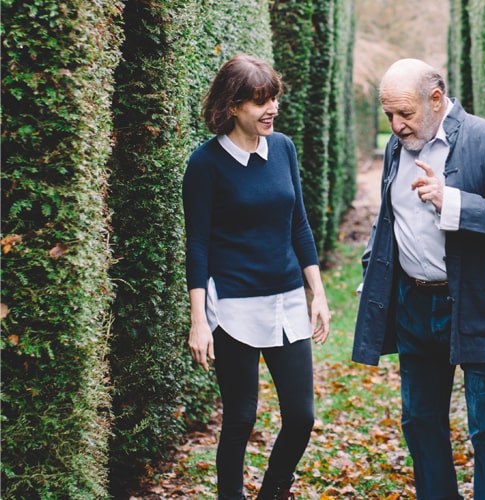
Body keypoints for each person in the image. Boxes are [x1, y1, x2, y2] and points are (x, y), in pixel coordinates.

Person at [352, 58, 485, 499]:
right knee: (419, 420)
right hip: (415, 305)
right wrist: (373, 270)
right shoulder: (399, 147)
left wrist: (451, 202)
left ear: (436, 99)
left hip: (479, 302)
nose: (396, 126)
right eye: (389, 116)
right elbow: (390, 218)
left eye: (405, 114)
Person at [183, 54, 330, 500]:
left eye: (274, 99)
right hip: (232, 306)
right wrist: (198, 320)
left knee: (302, 416)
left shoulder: (282, 148)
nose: (271, 110)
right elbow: (198, 245)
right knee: (242, 416)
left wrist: (317, 293)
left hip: (286, 300)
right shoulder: (205, 165)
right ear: (232, 106)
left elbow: (299, 225)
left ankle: (272, 492)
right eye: (259, 102)